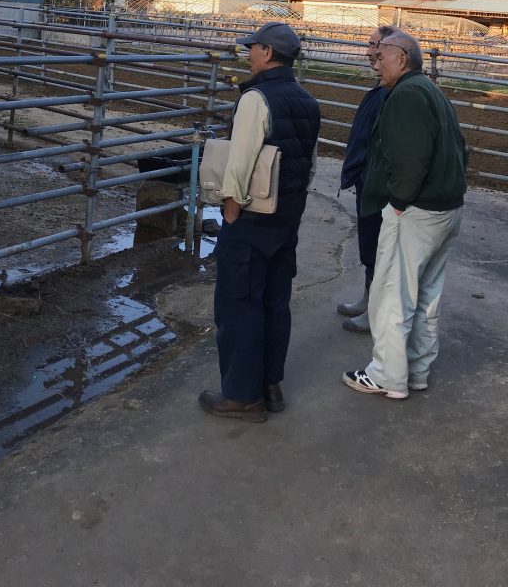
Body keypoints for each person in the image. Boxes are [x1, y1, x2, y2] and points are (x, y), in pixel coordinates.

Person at [199, 22, 320, 423]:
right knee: (274, 303)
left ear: (267, 53)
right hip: (286, 220)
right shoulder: (306, 99)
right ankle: (270, 386)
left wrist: (231, 210)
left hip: (252, 219)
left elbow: (241, 160)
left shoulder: (256, 98)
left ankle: (242, 397)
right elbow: (308, 164)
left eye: (252, 49)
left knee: (238, 306)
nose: (247, 54)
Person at [342, 31, 468, 400]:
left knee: (393, 295)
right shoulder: (432, 92)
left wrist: (398, 201)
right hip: (446, 208)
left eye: (381, 56)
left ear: (402, 57)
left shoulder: (406, 95)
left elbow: (410, 159)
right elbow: (460, 148)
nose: (375, 62)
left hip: (418, 211)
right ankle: (416, 371)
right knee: (427, 295)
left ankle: (387, 376)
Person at [336, 25, 399, 333]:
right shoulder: (380, 88)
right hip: (367, 179)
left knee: (378, 247)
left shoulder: (393, 92)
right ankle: (367, 298)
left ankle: (376, 311)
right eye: (369, 44)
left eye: (375, 45)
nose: (369, 51)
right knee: (369, 243)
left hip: (379, 185)